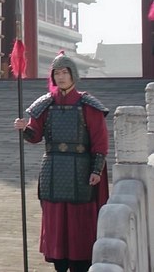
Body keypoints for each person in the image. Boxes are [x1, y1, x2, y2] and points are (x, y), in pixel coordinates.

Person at [12, 51, 110, 272]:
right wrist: (24, 129)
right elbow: (35, 136)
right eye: (57, 73)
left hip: (81, 170)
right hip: (53, 169)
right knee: (55, 218)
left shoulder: (89, 105)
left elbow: (100, 142)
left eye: (65, 72)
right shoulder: (45, 104)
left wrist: (96, 170)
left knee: (80, 219)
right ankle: (59, 262)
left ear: (73, 74)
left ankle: (81, 263)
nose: (61, 77)